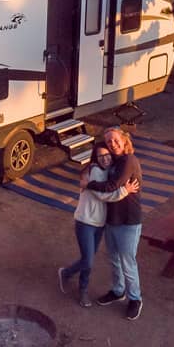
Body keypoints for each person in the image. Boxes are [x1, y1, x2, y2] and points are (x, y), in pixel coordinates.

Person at [57, 146, 138, 307]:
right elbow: (102, 195)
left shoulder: (111, 172)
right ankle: (80, 288)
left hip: (100, 224)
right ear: (95, 158)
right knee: (88, 261)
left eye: (107, 155)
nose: (105, 159)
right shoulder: (94, 170)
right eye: (100, 156)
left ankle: (69, 275)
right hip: (85, 222)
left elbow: (109, 187)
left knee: (89, 259)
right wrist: (125, 191)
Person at [84, 126, 145, 320]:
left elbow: (112, 186)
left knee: (128, 261)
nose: (113, 143)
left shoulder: (129, 160)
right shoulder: (112, 162)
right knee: (114, 259)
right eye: (109, 141)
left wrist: (89, 185)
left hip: (128, 220)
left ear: (124, 140)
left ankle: (135, 298)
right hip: (112, 219)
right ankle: (118, 291)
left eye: (115, 140)